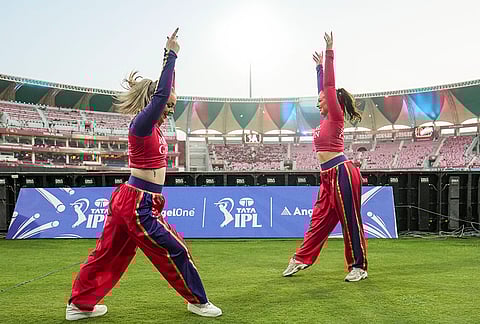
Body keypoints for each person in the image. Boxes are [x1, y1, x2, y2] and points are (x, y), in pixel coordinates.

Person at [66, 28, 222, 321]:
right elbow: (162, 94)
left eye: (173, 108)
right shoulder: (141, 124)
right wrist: (171, 54)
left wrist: (169, 60)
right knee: (174, 248)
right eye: (167, 107)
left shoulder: (156, 126)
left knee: (109, 254)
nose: (169, 111)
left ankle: (79, 306)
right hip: (138, 203)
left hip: (135, 200)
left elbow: (166, 91)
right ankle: (198, 301)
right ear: (153, 102)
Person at [282, 32, 368, 282]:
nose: (318, 103)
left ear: (332, 103)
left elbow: (329, 88)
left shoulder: (335, 116)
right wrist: (318, 69)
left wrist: (329, 53)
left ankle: (358, 267)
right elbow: (324, 88)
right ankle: (300, 259)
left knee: (349, 219)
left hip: (342, 172)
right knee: (318, 220)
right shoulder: (325, 118)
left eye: (321, 101)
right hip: (327, 177)